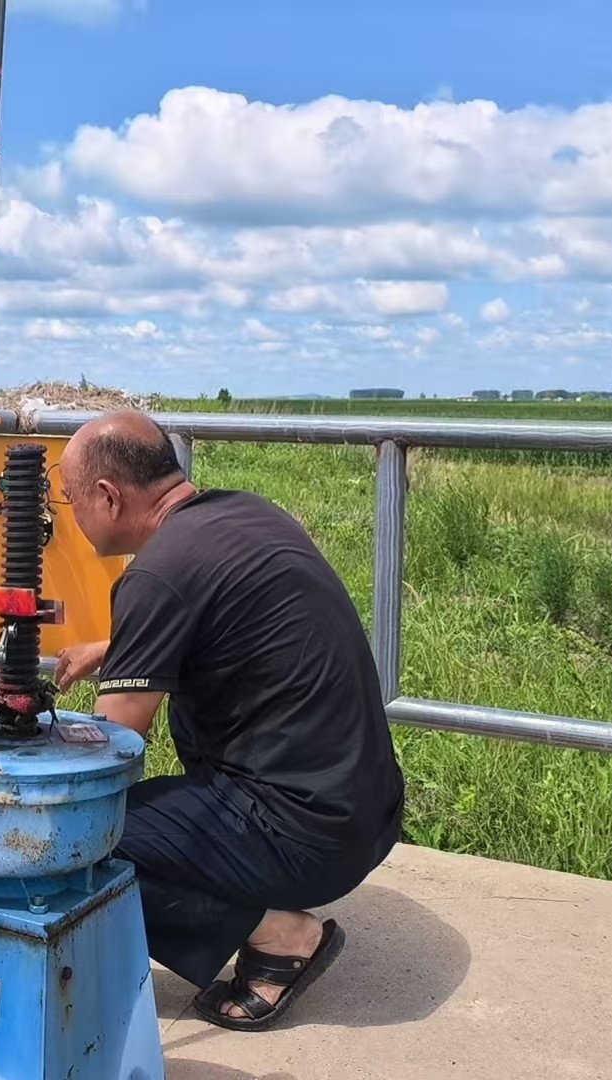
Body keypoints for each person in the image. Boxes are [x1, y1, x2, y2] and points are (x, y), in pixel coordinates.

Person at [53, 410, 405, 1032]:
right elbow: (223, 620)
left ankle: (280, 935)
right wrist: (113, 649)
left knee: (76, 839)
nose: (69, 515)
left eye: (71, 498)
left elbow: (111, 751)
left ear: (107, 496)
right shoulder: (243, 515)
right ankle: (265, 897)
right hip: (363, 813)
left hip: (303, 834)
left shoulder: (155, 574)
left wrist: (20, 749)